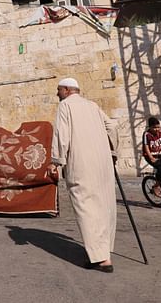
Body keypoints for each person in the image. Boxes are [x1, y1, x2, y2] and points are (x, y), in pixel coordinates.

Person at [48, 77, 119, 273]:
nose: (57, 93)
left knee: (86, 207)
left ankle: (101, 259)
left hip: (81, 163)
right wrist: (112, 152)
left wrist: (56, 161)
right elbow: (112, 127)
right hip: (102, 163)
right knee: (104, 206)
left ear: (67, 90)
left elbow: (62, 135)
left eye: (58, 90)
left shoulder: (65, 106)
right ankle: (105, 252)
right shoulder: (93, 105)